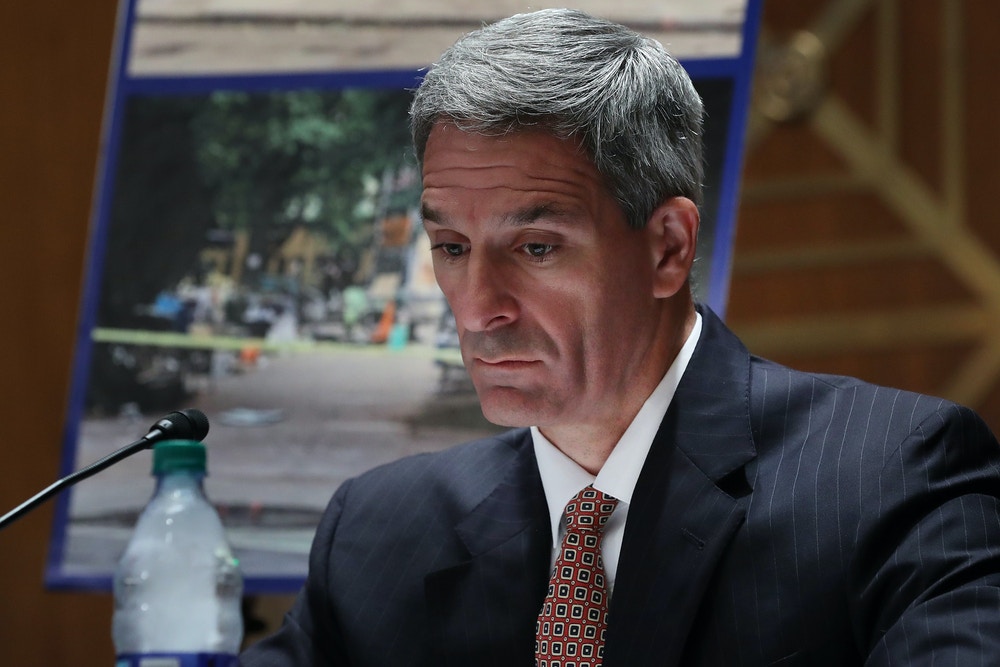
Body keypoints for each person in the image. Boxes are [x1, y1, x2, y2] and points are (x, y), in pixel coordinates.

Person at [241, 8, 1000, 666]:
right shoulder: (377, 532)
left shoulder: (894, 476)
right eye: (452, 248)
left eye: (536, 248)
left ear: (667, 246)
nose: (476, 310)